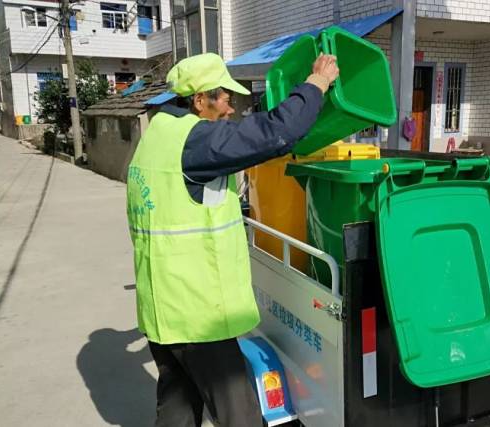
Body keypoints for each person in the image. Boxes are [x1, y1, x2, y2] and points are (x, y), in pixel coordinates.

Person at [126, 52, 339, 427]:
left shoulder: (156, 137)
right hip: (198, 316)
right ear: (198, 100)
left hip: (163, 311)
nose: (230, 108)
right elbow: (276, 132)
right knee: (240, 415)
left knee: (177, 406)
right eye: (225, 98)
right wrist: (317, 83)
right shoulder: (196, 143)